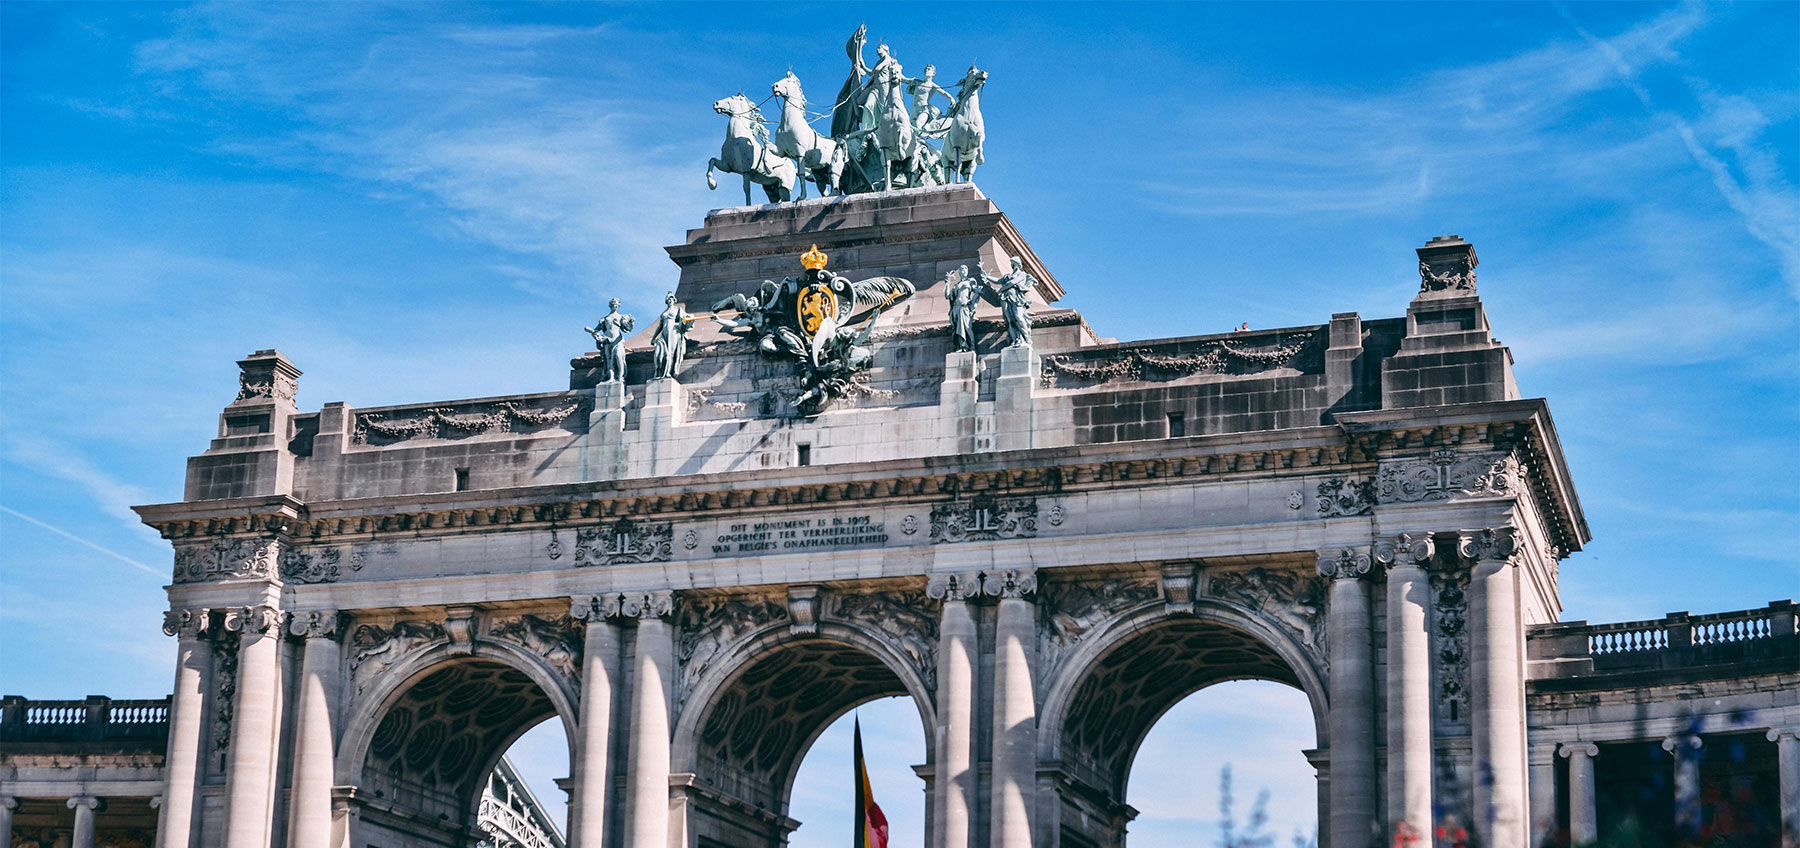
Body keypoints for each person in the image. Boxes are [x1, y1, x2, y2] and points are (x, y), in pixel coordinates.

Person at [977, 256, 1035, 349]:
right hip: (1005, 298)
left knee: (1018, 317)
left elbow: (1011, 283)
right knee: (1010, 320)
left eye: (1014, 263)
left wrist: (1000, 290)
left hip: (1016, 298)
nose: (1013, 265)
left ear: (1019, 264)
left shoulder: (1022, 274)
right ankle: (1015, 339)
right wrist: (986, 276)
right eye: (1012, 263)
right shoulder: (1007, 276)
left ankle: (1026, 338)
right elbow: (997, 281)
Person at [584, 298, 635, 383]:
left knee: (618, 357)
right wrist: (594, 333)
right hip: (607, 341)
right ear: (611, 305)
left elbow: (628, 329)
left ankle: (620, 377)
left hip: (617, 340)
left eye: (617, 304)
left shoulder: (621, 317)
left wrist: (631, 323)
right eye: (614, 304)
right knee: (609, 361)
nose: (616, 306)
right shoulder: (604, 319)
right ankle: (611, 377)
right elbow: (596, 330)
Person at [650, 292, 692, 380]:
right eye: (668, 299)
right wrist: (653, 338)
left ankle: (668, 372)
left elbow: (686, 318)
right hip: (664, 334)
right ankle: (659, 373)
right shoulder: (664, 313)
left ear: (674, 300)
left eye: (671, 299)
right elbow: (660, 326)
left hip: (674, 332)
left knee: (670, 353)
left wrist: (689, 318)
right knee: (659, 353)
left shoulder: (678, 310)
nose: (670, 300)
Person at [945, 265, 979, 352]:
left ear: (967, 271)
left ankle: (971, 346)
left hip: (965, 307)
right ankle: (960, 347)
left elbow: (977, 292)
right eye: (961, 269)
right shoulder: (957, 285)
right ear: (959, 272)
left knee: (967, 327)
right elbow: (948, 296)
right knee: (957, 328)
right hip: (956, 308)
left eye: (965, 269)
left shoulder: (970, 281)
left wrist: (973, 304)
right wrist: (947, 284)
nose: (963, 270)